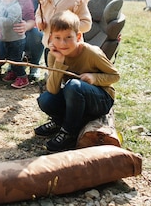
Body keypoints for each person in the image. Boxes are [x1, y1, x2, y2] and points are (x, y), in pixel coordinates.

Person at [34, 10, 120, 152]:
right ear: (51, 38)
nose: (63, 43)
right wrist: (59, 62)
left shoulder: (92, 52)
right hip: (75, 98)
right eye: (57, 37)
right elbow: (53, 89)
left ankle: (69, 132)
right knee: (45, 100)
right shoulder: (54, 54)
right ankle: (59, 122)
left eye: (68, 37)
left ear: (78, 36)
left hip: (100, 99)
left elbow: (115, 76)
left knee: (73, 86)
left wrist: (94, 78)